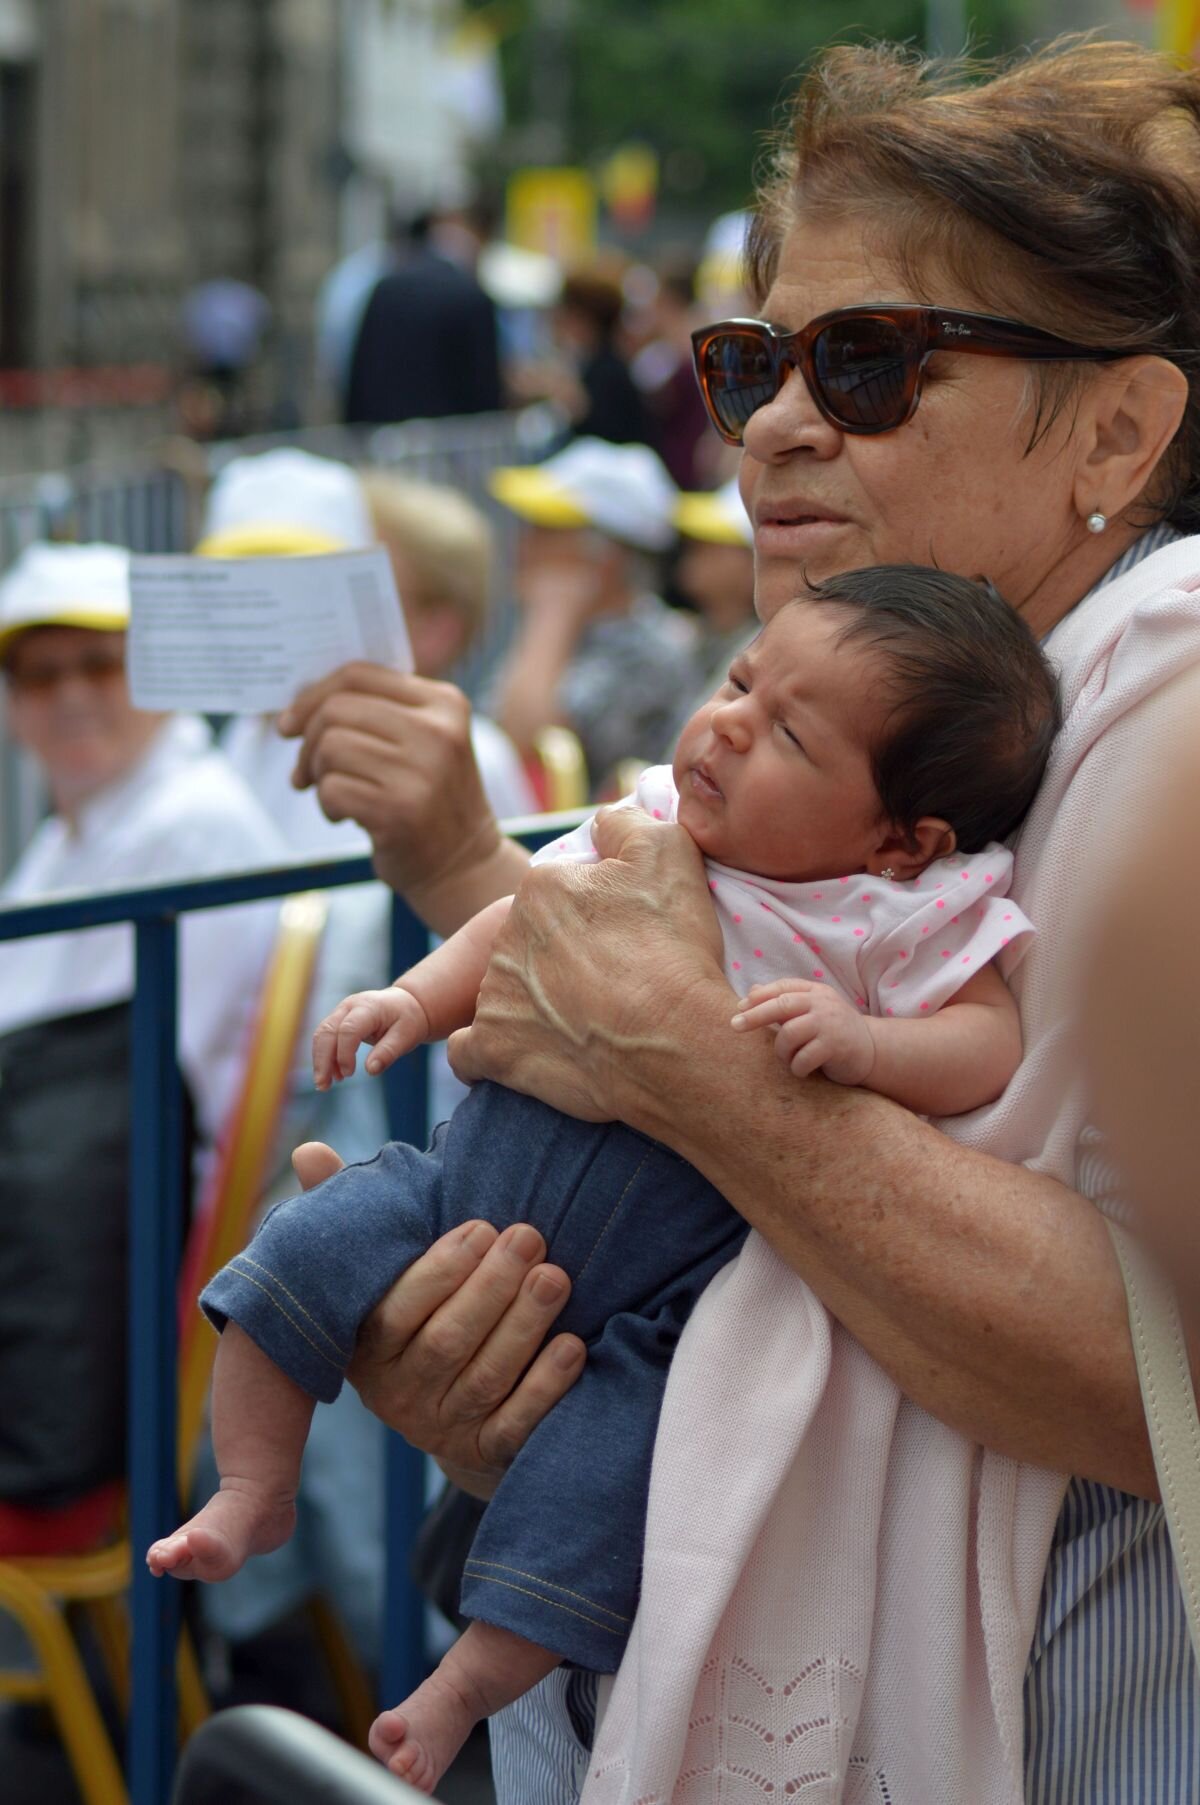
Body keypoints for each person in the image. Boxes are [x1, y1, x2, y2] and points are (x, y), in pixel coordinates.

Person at [272, 36, 1200, 1802]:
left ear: (1120, 428)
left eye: (867, 362)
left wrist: (695, 1064)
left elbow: (1163, 1371)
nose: (772, 421)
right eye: (754, 355)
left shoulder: (1175, 716)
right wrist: (495, 1357)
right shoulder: (860, 707)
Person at [153, 566, 1057, 1793]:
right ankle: (256, 1488)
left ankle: (463, 1684)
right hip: (461, 1187)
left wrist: (867, 1045)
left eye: (788, 730)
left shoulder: (902, 916)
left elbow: (988, 1039)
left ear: (906, 839)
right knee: (304, 1240)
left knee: (614, 1480)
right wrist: (409, 999)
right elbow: (522, 915)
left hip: (658, 1311)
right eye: (740, 679)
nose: (728, 721)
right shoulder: (649, 822)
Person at [0, 542, 282, 1544]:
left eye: (101, 663)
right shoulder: (89, 824)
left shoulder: (190, 827)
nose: (69, 693)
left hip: (124, 1295)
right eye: (38, 670)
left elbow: (160, 1114)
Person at [488, 437, 697, 788]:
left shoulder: (651, 651)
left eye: (547, 530)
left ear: (603, 559)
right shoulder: (577, 628)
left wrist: (553, 613)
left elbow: (524, 751)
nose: (523, 545)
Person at [343, 211, 502, 428]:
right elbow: (485, 392)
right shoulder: (471, 297)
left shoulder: (385, 289)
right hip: (452, 445)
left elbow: (358, 377)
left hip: (381, 439)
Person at [666, 475, 758, 749]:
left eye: (715, 542)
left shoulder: (759, 656)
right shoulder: (690, 635)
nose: (695, 549)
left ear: (755, 562)